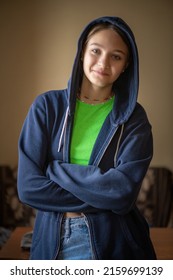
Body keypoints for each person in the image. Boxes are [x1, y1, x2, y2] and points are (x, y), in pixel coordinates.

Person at [17, 16, 156, 260]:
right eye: (96, 50)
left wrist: (55, 170)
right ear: (82, 52)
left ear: (125, 65)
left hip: (116, 243)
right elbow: (29, 188)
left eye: (116, 56)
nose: (103, 62)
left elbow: (123, 194)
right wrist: (105, 196)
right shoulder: (47, 107)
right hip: (52, 242)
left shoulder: (134, 118)